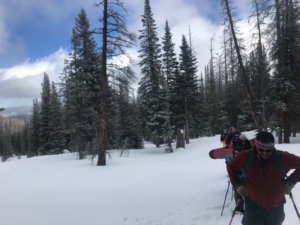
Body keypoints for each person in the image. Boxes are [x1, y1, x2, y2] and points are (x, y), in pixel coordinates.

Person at [227, 131, 300, 225]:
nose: (265, 153)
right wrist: (237, 185)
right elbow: (231, 167)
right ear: (256, 146)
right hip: (252, 205)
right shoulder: (246, 156)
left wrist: (291, 182)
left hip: (275, 207)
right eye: (261, 149)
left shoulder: (282, 157)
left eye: (269, 150)